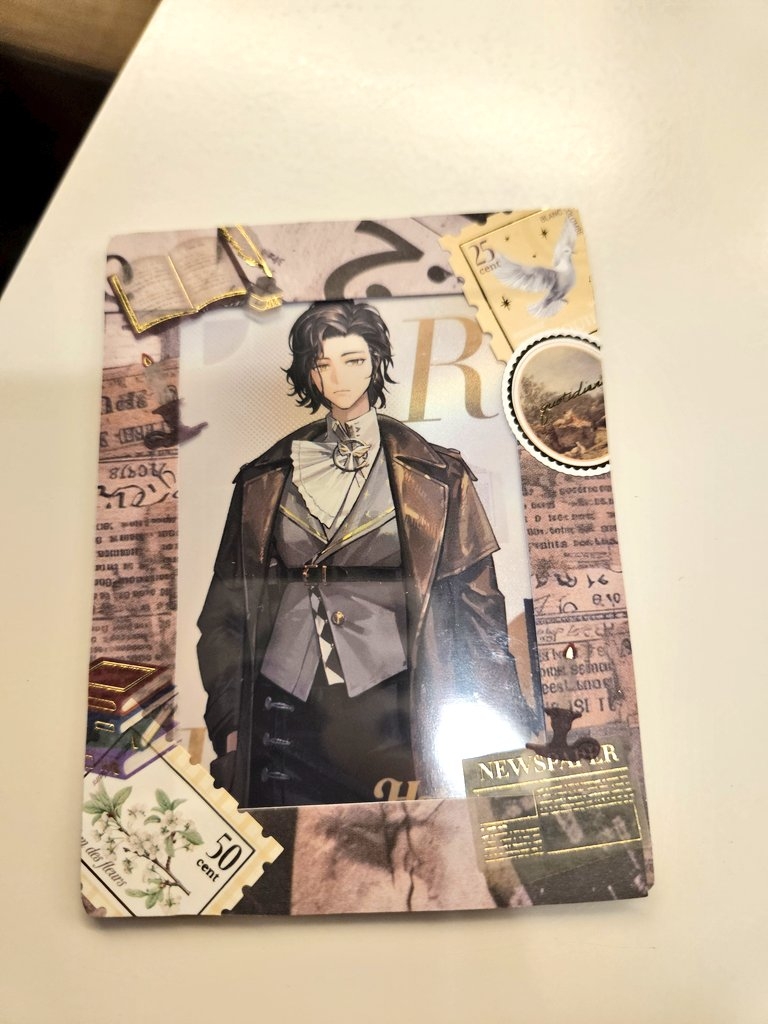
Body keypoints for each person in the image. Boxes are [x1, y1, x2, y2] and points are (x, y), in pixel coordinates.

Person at [197, 300, 537, 808]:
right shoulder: (263, 477)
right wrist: (230, 729)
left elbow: (479, 614)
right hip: (284, 714)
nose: (338, 378)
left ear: (376, 363)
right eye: (323, 363)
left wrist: (503, 733)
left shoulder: (440, 475)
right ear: (308, 372)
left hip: (397, 714)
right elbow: (222, 616)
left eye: (353, 360)